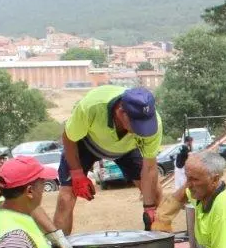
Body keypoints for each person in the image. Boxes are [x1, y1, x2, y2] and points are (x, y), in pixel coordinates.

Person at [54, 85, 162, 235]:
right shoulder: (91, 107)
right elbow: (68, 137)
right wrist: (77, 174)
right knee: (66, 197)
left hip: (127, 148)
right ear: (120, 112)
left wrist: (149, 207)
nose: (143, 130)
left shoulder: (152, 122)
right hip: (86, 142)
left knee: (155, 194)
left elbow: (150, 168)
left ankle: (156, 244)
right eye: (137, 125)